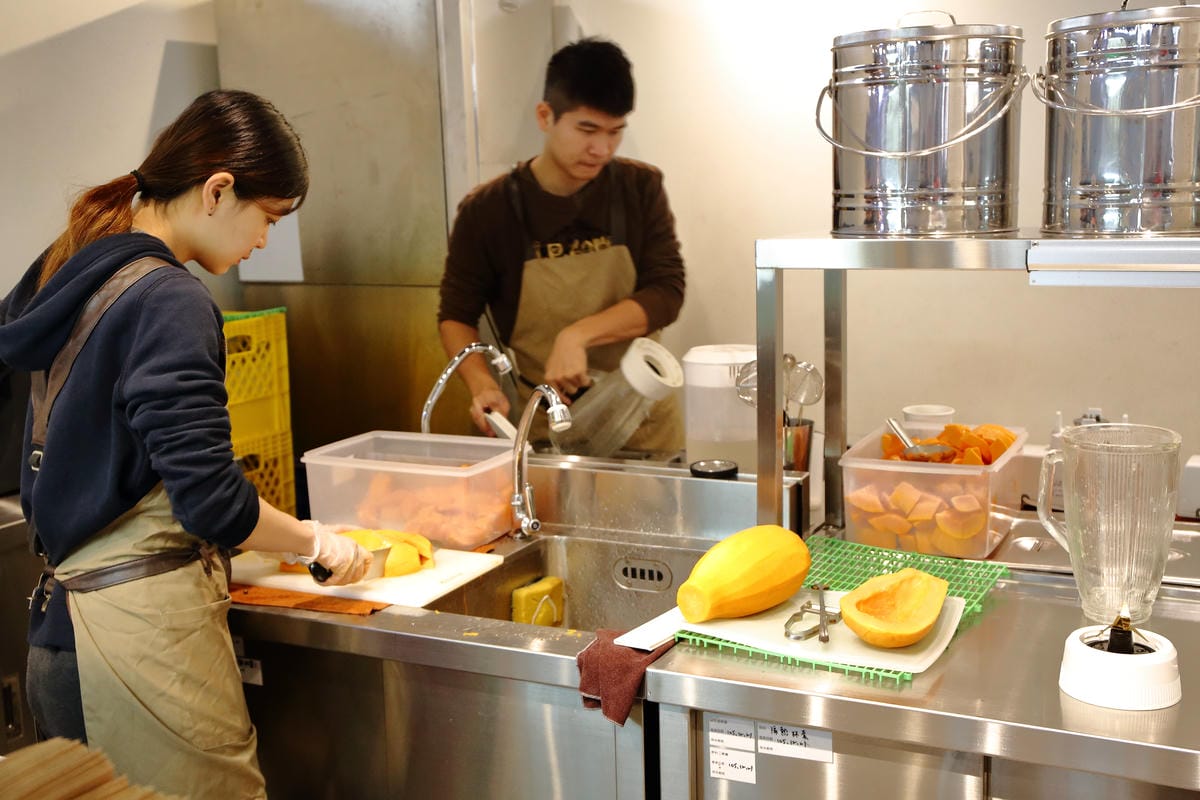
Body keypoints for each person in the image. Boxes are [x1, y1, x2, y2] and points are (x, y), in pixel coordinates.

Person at [0, 89, 372, 799]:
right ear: (218, 189)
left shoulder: (78, 263)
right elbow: (211, 501)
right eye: (268, 218)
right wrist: (316, 542)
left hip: (61, 642)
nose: (263, 241)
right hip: (138, 654)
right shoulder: (168, 298)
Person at [438, 37, 686, 451]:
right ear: (545, 116)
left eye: (615, 132)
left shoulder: (639, 188)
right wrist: (482, 384)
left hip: (643, 428)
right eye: (586, 130)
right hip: (550, 429)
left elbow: (667, 293)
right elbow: (456, 315)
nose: (601, 149)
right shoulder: (488, 210)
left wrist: (577, 335)